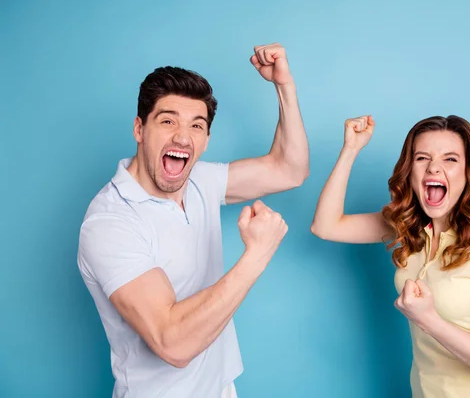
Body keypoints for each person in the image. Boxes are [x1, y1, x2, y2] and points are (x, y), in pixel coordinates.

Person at [77, 43, 309, 398]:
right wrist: (257, 255)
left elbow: (289, 169)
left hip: (219, 388)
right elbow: (173, 343)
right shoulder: (110, 221)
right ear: (139, 129)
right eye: (167, 121)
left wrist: (284, 87)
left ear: (206, 139)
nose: (182, 137)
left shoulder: (199, 179)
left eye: (196, 126)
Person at [310, 115, 470, 397]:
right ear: (409, 171)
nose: (434, 168)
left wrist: (429, 320)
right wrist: (350, 149)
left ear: (469, 173)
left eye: (450, 159)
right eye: (422, 158)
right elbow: (325, 226)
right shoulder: (409, 228)